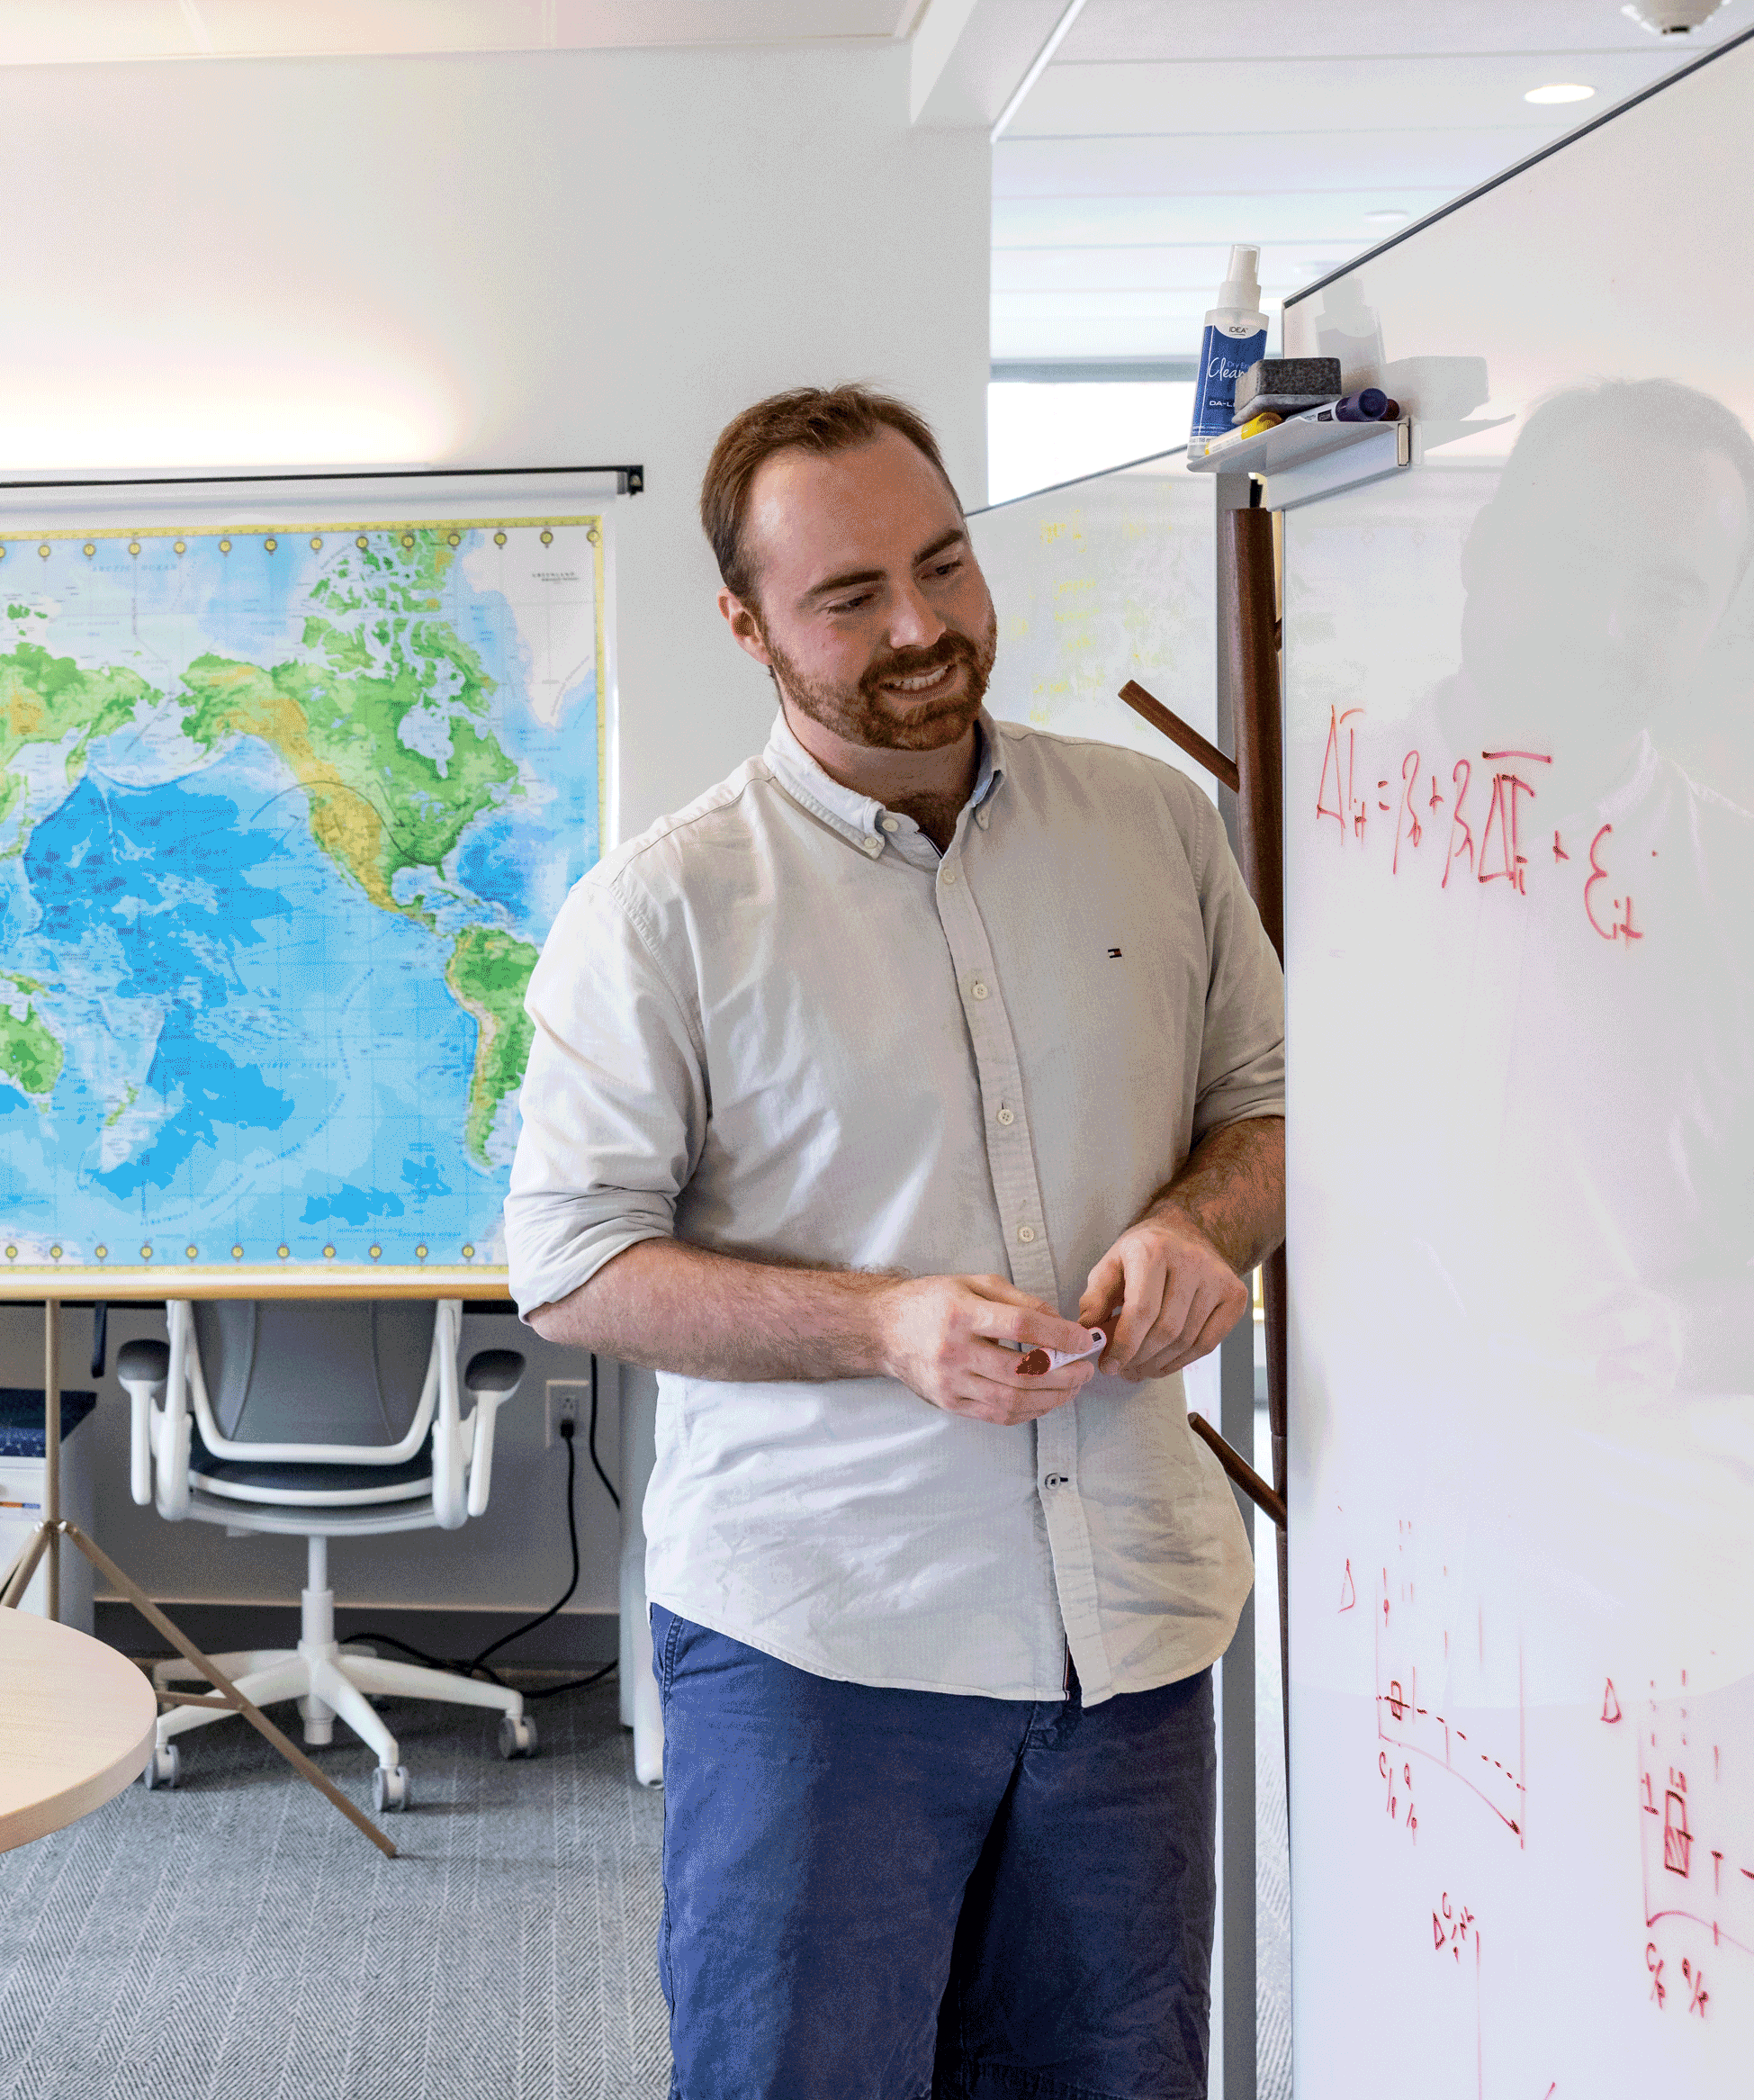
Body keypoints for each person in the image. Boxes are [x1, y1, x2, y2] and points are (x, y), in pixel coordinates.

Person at [504, 385, 1283, 2099]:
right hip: (820, 1637)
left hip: (1132, 1628)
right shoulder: (667, 908)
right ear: (747, 621)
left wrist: (1198, 1223)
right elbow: (566, 1263)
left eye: (942, 563)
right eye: (850, 596)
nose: (922, 625)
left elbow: (1268, 1111)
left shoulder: (1154, 827)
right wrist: (882, 1326)